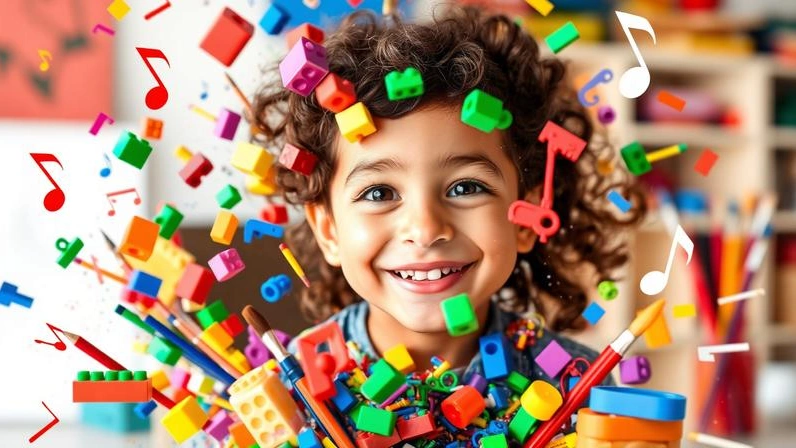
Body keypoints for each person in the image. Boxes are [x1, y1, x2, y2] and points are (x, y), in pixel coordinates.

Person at [251, 4, 646, 442]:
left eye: (465, 188)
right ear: (329, 231)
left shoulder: (581, 390)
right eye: (379, 193)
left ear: (526, 217)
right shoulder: (286, 390)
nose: (425, 229)